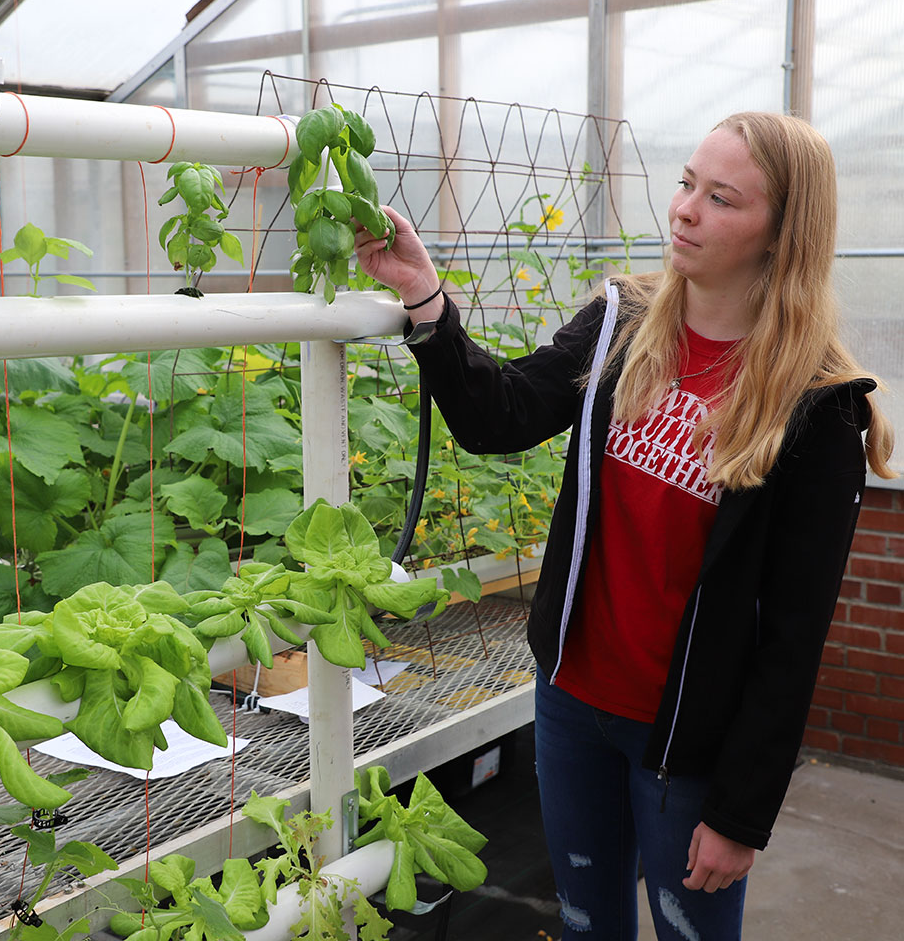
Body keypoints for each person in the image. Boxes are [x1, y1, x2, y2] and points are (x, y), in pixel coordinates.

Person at [353, 111, 895, 940]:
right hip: (571, 700)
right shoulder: (621, 322)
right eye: (685, 183)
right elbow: (500, 417)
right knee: (584, 925)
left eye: (721, 198)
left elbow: (794, 636)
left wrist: (743, 813)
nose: (683, 210)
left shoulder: (816, 406)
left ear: (782, 233)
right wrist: (424, 296)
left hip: (688, 739)